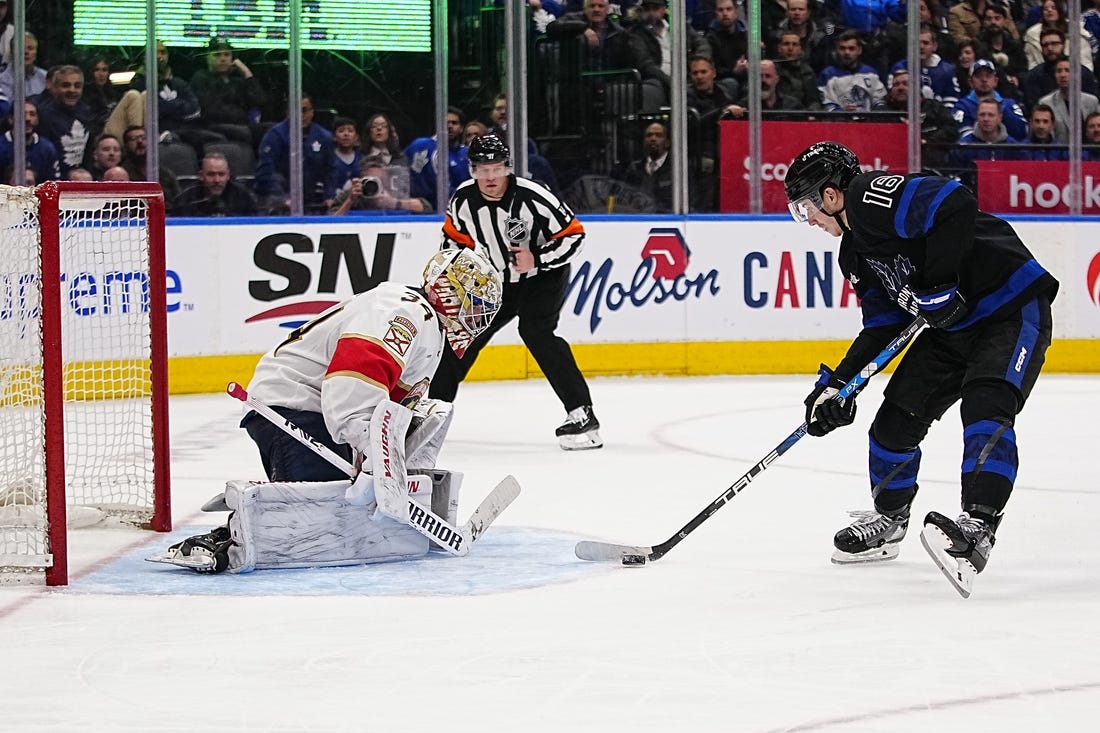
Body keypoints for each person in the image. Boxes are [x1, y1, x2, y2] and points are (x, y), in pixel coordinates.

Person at [783, 141, 1057, 596]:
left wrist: (937, 283)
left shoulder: (871, 196)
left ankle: (977, 528)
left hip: (1011, 307)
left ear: (832, 195)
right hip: (953, 330)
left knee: (986, 405)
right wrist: (838, 386)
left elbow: (955, 202)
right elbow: (884, 327)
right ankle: (890, 521)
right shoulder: (854, 254)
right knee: (894, 423)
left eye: (807, 206)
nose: (808, 219)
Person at [154, 248, 504, 573]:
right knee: (317, 517)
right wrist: (373, 457)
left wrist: (390, 467)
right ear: (448, 290)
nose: (478, 317)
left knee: (345, 511)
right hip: (292, 408)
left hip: (319, 411)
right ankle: (223, 540)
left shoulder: (428, 328)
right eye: (474, 304)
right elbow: (353, 384)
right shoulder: (402, 309)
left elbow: (390, 408)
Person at [429, 134, 602, 450]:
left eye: (496, 168)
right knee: (462, 336)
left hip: (543, 277)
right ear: (472, 170)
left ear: (508, 167)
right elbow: (453, 240)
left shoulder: (534, 196)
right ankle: (432, 411)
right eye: (483, 169)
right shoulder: (463, 200)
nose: (490, 176)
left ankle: (581, 414)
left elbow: (574, 235)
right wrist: (455, 272)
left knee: (536, 332)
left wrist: (538, 258)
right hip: (498, 281)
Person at [254, 95, 335, 214]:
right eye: (295, 111)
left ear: (312, 112)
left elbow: (330, 171)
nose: (300, 115)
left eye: (304, 110)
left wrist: (329, 196)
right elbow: (266, 172)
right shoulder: (275, 135)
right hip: (276, 197)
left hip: (310, 197)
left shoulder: (324, 137)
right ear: (288, 113)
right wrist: (283, 198)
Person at [190, 35, 265, 145]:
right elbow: (210, 111)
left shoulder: (237, 80)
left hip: (242, 127)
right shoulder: (201, 78)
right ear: (208, 58)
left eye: (227, 54)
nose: (223, 58)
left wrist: (246, 72)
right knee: (243, 133)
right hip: (214, 127)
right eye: (217, 55)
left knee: (270, 129)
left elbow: (259, 100)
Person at [883, 69, 959, 172]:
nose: (900, 88)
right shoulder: (883, 111)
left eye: (906, 84)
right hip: (891, 167)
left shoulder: (934, 107)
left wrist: (928, 141)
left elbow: (952, 130)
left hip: (931, 167)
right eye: (896, 84)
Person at [34, 64, 99, 177]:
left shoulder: (87, 113)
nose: (72, 90)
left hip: (82, 177)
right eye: (66, 85)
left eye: (77, 86)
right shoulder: (44, 116)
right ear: (54, 87)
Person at [328, 154, 430, 215]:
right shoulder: (352, 193)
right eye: (370, 179)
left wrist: (394, 202)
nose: (374, 184)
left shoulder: (394, 190)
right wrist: (349, 201)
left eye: (379, 179)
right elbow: (328, 222)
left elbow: (426, 208)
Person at [951, 59, 1028, 138]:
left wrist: (1002, 109)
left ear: (995, 81)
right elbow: (963, 136)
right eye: (979, 76)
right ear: (970, 82)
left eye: (988, 76)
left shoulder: (1010, 104)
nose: (984, 80)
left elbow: (1023, 131)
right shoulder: (961, 107)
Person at [818, 30, 888, 112]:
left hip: (868, 122)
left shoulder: (870, 73)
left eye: (851, 49)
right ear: (836, 50)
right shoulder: (827, 74)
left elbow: (880, 101)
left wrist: (875, 115)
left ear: (859, 50)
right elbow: (826, 104)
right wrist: (841, 112)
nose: (847, 52)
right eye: (842, 48)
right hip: (840, 123)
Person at [172, 151, 258, 217]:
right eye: (211, 174)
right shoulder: (185, 200)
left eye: (221, 174)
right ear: (201, 176)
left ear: (228, 175)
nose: (217, 180)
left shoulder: (244, 198)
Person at [1037, 57, 1100, 144]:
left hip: (1089, 154)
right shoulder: (1046, 103)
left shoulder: (1092, 101)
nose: (1063, 75)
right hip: (1058, 154)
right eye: (1059, 71)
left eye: (1067, 70)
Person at [0, 100, 60, 184]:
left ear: (37, 120)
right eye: (22, 114)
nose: (28, 119)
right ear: (10, 119)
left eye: (32, 114)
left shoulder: (47, 148)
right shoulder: (1, 146)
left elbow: (54, 184)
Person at [618, 120, 673, 212]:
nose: (653, 139)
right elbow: (623, 200)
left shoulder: (677, 169)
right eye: (649, 135)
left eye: (658, 135)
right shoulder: (634, 169)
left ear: (667, 142)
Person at [120, 124, 181, 202]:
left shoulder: (165, 174)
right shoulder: (123, 174)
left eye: (143, 137)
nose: (139, 141)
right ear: (126, 146)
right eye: (133, 139)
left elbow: (179, 202)